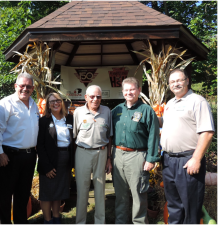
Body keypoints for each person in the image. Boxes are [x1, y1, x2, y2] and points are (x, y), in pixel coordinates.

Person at [159, 69, 215, 225]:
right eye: (172, 81)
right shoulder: (170, 103)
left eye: (179, 80)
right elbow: (166, 124)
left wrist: (196, 159)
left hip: (188, 160)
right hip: (169, 161)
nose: (176, 83)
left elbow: (207, 132)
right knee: (174, 207)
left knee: (191, 208)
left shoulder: (197, 101)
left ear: (187, 81)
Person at [111, 77, 160, 225]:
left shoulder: (146, 110)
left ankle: (139, 223)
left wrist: (151, 158)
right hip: (117, 155)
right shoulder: (116, 110)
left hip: (138, 156)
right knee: (120, 195)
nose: (129, 92)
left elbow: (153, 135)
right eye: (126, 90)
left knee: (138, 194)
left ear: (139, 90)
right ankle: (121, 222)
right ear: (122, 92)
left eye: (132, 89)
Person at [0, 72, 39, 225]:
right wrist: (0, 153)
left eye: (28, 86)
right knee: (5, 197)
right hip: (8, 156)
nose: (25, 89)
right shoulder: (5, 104)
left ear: (33, 88)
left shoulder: (34, 105)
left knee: (23, 195)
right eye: (22, 86)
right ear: (15, 86)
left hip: (29, 156)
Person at [73, 85, 112, 225]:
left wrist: (109, 158)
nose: (95, 99)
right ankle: (80, 222)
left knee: (100, 189)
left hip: (101, 153)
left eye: (98, 97)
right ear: (86, 97)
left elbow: (109, 137)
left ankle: (100, 222)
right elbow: (74, 135)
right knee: (82, 189)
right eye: (92, 96)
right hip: (82, 152)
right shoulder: (78, 112)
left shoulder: (107, 111)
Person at [37, 92, 74, 225]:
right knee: (47, 193)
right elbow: (40, 146)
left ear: (62, 102)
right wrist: (47, 167)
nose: (55, 103)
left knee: (59, 191)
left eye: (57, 100)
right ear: (48, 105)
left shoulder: (70, 119)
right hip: (49, 160)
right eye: (52, 101)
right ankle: (48, 220)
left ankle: (57, 218)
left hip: (65, 160)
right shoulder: (43, 121)